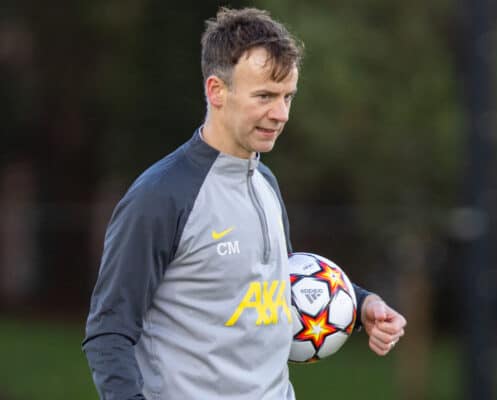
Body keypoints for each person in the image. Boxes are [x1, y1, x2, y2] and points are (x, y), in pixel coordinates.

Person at [83, 7, 406, 400]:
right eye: (265, 96)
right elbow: (109, 333)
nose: (281, 114)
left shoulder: (264, 181)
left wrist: (361, 304)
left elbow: (271, 278)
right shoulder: (161, 196)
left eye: (288, 96)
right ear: (217, 91)